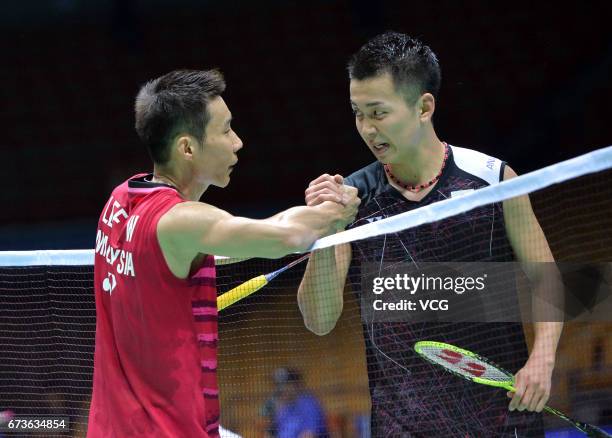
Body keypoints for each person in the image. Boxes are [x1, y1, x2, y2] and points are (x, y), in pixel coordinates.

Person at [298, 32, 563, 436]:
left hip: (502, 421)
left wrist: (543, 359)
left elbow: (548, 279)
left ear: (423, 106)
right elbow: (319, 320)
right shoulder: (352, 200)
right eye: (357, 113)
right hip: (403, 427)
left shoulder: (493, 181)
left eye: (378, 112)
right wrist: (324, 230)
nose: (366, 129)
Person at [87, 69, 359, 438]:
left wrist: (308, 218)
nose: (238, 142)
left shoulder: (120, 201)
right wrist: (334, 210)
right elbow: (286, 236)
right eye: (226, 129)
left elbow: (243, 241)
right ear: (187, 147)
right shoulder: (179, 221)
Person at [262, 368, 329, 438]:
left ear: (296, 384)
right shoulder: (283, 408)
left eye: (284, 385)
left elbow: (310, 434)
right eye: (277, 385)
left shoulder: (308, 404)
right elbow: (271, 432)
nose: (279, 390)